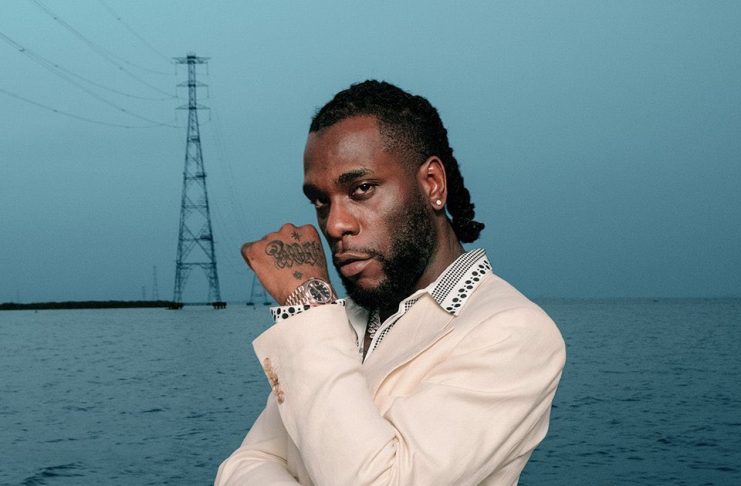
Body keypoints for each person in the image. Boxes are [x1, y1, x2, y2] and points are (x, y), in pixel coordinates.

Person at [215, 80, 566, 486]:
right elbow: (241, 467)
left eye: (361, 189)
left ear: (432, 184)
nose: (334, 224)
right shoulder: (336, 323)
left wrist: (308, 303)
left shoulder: (513, 331)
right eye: (321, 201)